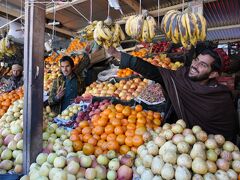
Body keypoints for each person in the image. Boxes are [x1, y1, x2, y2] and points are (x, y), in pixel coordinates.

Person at [107, 47, 238, 142]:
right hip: (182, 141)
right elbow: (153, 72)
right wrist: (117, 54)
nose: (194, 65)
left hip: (211, 151)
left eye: (202, 65)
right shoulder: (182, 77)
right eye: (196, 60)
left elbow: (226, 132)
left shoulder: (220, 98)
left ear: (213, 74)